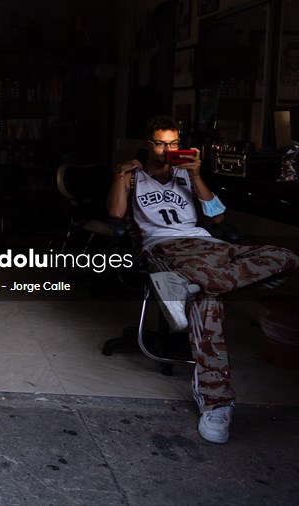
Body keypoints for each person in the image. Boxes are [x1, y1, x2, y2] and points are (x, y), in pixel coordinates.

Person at [106, 115, 299, 444]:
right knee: (208, 302)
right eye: (160, 142)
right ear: (148, 143)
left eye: (173, 143)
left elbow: (218, 216)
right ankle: (216, 401)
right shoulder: (134, 177)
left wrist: (196, 175)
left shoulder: (187, 174)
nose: (167, 149)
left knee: (287, 258)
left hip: (210, 248)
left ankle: (186, 287)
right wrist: (118, 176)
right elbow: (114, 214)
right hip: (166, 249)